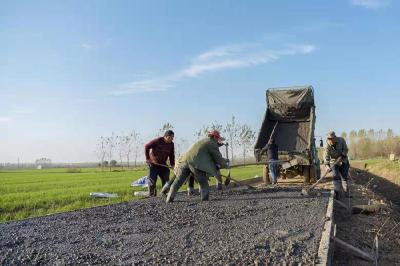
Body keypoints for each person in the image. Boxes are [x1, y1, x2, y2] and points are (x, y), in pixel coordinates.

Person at [166, 130, 229, 202]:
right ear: (214, 137)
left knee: (178, 181)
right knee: (203, 182)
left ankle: (169, 198)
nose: (218, 140)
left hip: (184, 160)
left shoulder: (204, 141)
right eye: (218, 138)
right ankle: (205, 199)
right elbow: (218, 159)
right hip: (195, 163)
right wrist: (225, 164)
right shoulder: (212, 143)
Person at [144, 130, 175, 196]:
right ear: (165, 137)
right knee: (152, 182)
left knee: (166, 179)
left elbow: (171, 155)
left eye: (172, 138)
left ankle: (164, 194)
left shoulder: (171, 144)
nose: (171, 139)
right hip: (153, 165)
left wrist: (172, 164)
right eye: (170, 138)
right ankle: (152, 196)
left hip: (163, 165)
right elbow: (147, 146)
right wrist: (147, 158)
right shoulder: (157, 141)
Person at [324, 131, 350, 200]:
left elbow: (346, 149)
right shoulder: (327, 145)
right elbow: (326, 156)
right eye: (329, 139)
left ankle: (346, 192)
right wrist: (327, 166)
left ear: (335, 137)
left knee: (344, 176)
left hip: (343, 160)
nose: (330, 140)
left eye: (332, 138)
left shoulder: (341, 140)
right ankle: (337, 193)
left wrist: (341, 156)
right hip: (334, 162)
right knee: (336, 177)